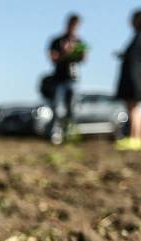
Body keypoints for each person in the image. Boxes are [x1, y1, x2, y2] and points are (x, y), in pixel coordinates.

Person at [115, 10, 141, 151]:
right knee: (135, 108)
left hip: (133, 78)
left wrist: (124, 56)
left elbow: (133, 58)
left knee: (133, 108)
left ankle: (135, 138)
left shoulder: (139, 37)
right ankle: (139, 138)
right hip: (137, 77)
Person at [47, 14, 86, 144]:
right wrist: (65, 53)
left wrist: (79, 53)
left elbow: (83, 59)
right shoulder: (57, 41)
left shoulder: (79, 42)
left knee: (72, 108)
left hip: (74, 78)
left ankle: (69, 133)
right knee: (58, 107)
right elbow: (52, 57)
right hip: (59, 78)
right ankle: (56, 133)